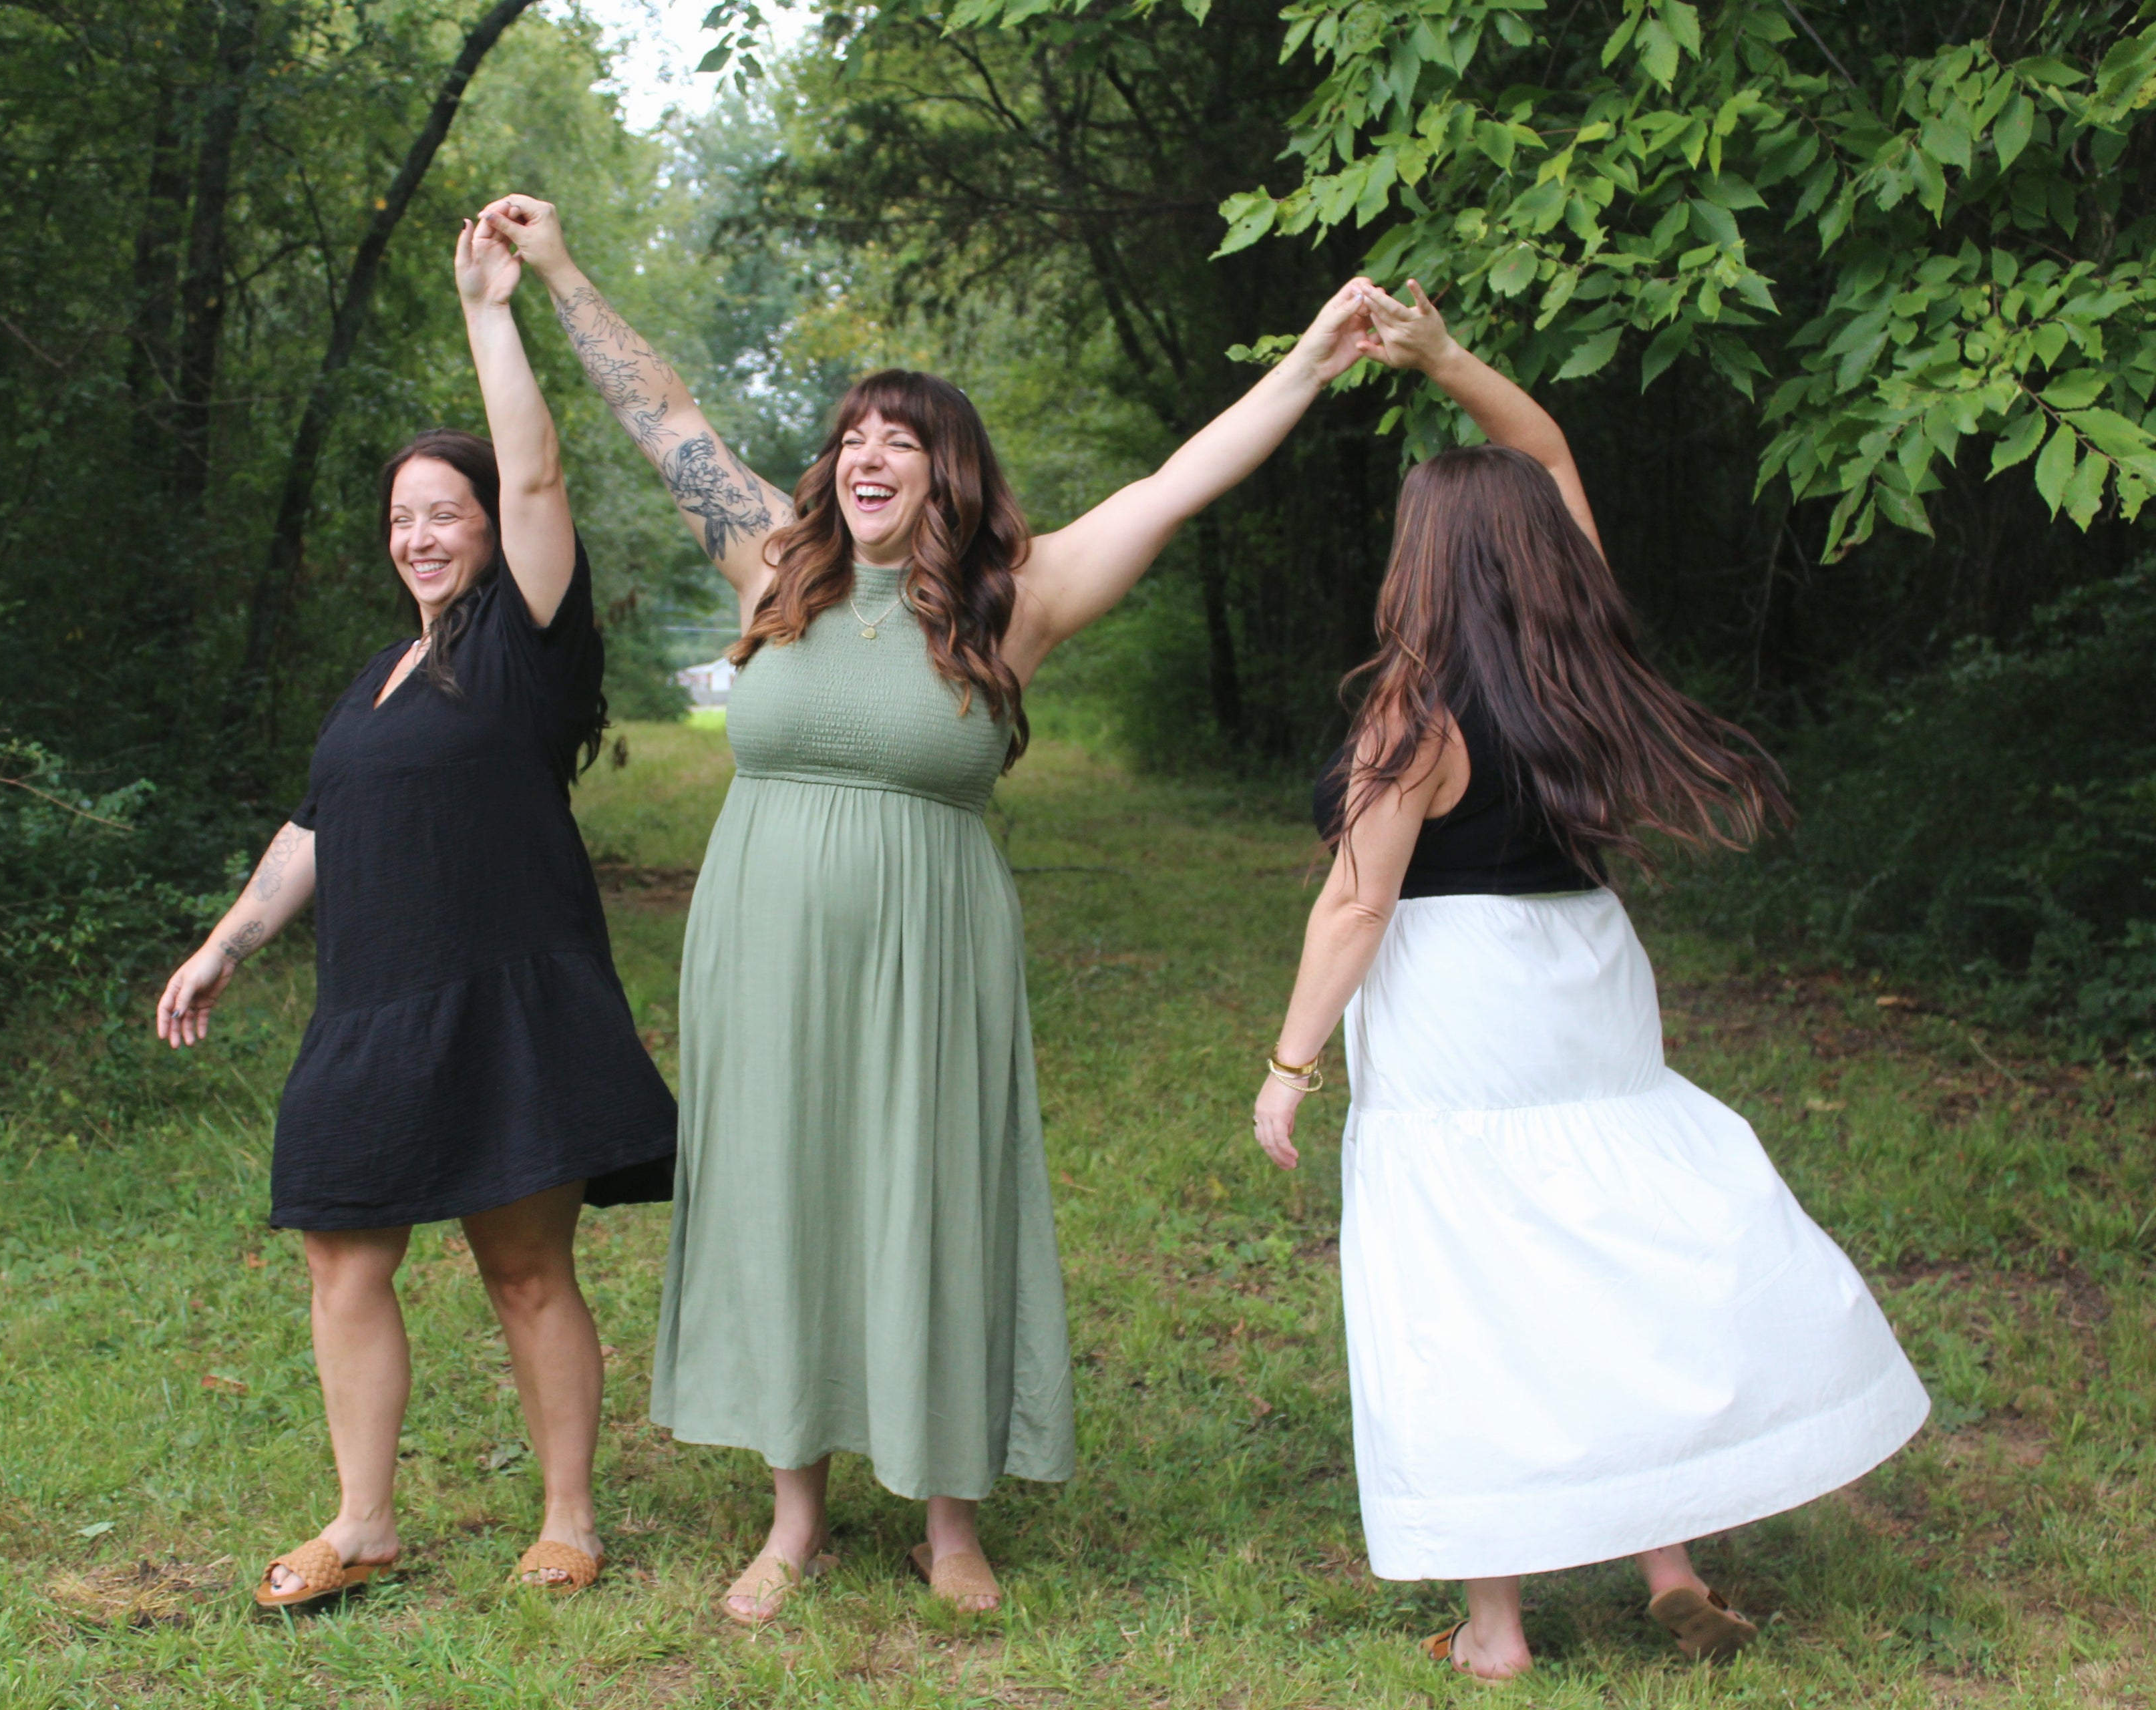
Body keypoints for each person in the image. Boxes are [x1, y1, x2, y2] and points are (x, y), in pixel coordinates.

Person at [479, 188, 1385, 1622]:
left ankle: (949, 1514)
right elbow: (663, 419)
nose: (867, 454)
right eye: (854, 435)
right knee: (785, 1192)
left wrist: (1313, 360)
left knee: (934, 1194)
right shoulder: (773, 566)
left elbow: (1173, 484)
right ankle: (794, 1515)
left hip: (934, 953)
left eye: (902, 438)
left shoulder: (1014, 603)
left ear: (951, 475)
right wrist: (562, 270)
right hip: (762, 954)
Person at [1250, 281, 1931, 1679]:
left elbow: (1361, 896)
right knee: (1604, 1242)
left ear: (1425, 557)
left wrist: (1290, 1060)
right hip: (1584, 969)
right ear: (1539, 556)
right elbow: (1551, 457)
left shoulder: (1414, 706)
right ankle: (1668, 1555)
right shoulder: (1581, 665)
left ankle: (1497, 1625)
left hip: (1457, 996)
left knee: (1469, 1277)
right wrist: (1450, 361)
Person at [154, 216, 677, 1608]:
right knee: (341, 1255)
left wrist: (491, 312)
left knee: (522, 1267)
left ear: (493, 527)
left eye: (445, 510)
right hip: (370, 1009)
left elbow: (546, 464)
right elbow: (321, 822)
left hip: (504, 991)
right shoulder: (385, 670)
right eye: (402, 518)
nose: (420, 533)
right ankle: (364, 1518)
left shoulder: (529, 642)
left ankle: (569, 1514)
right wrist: (225, 941)